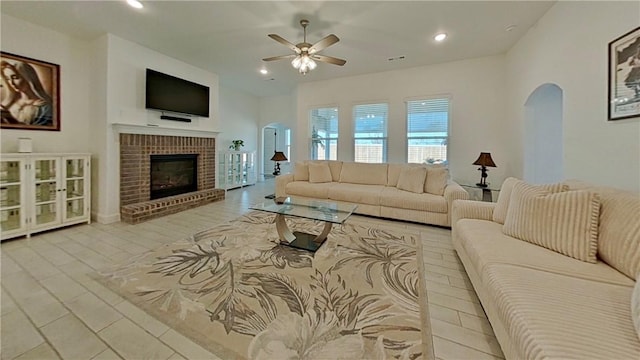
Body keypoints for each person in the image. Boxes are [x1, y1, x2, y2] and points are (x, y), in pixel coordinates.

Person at [0, 60, 53, 126]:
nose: (11, 83)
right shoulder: (10, 105)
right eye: (8, 79)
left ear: (27, 78)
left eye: (15, 77)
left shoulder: (45, 107)